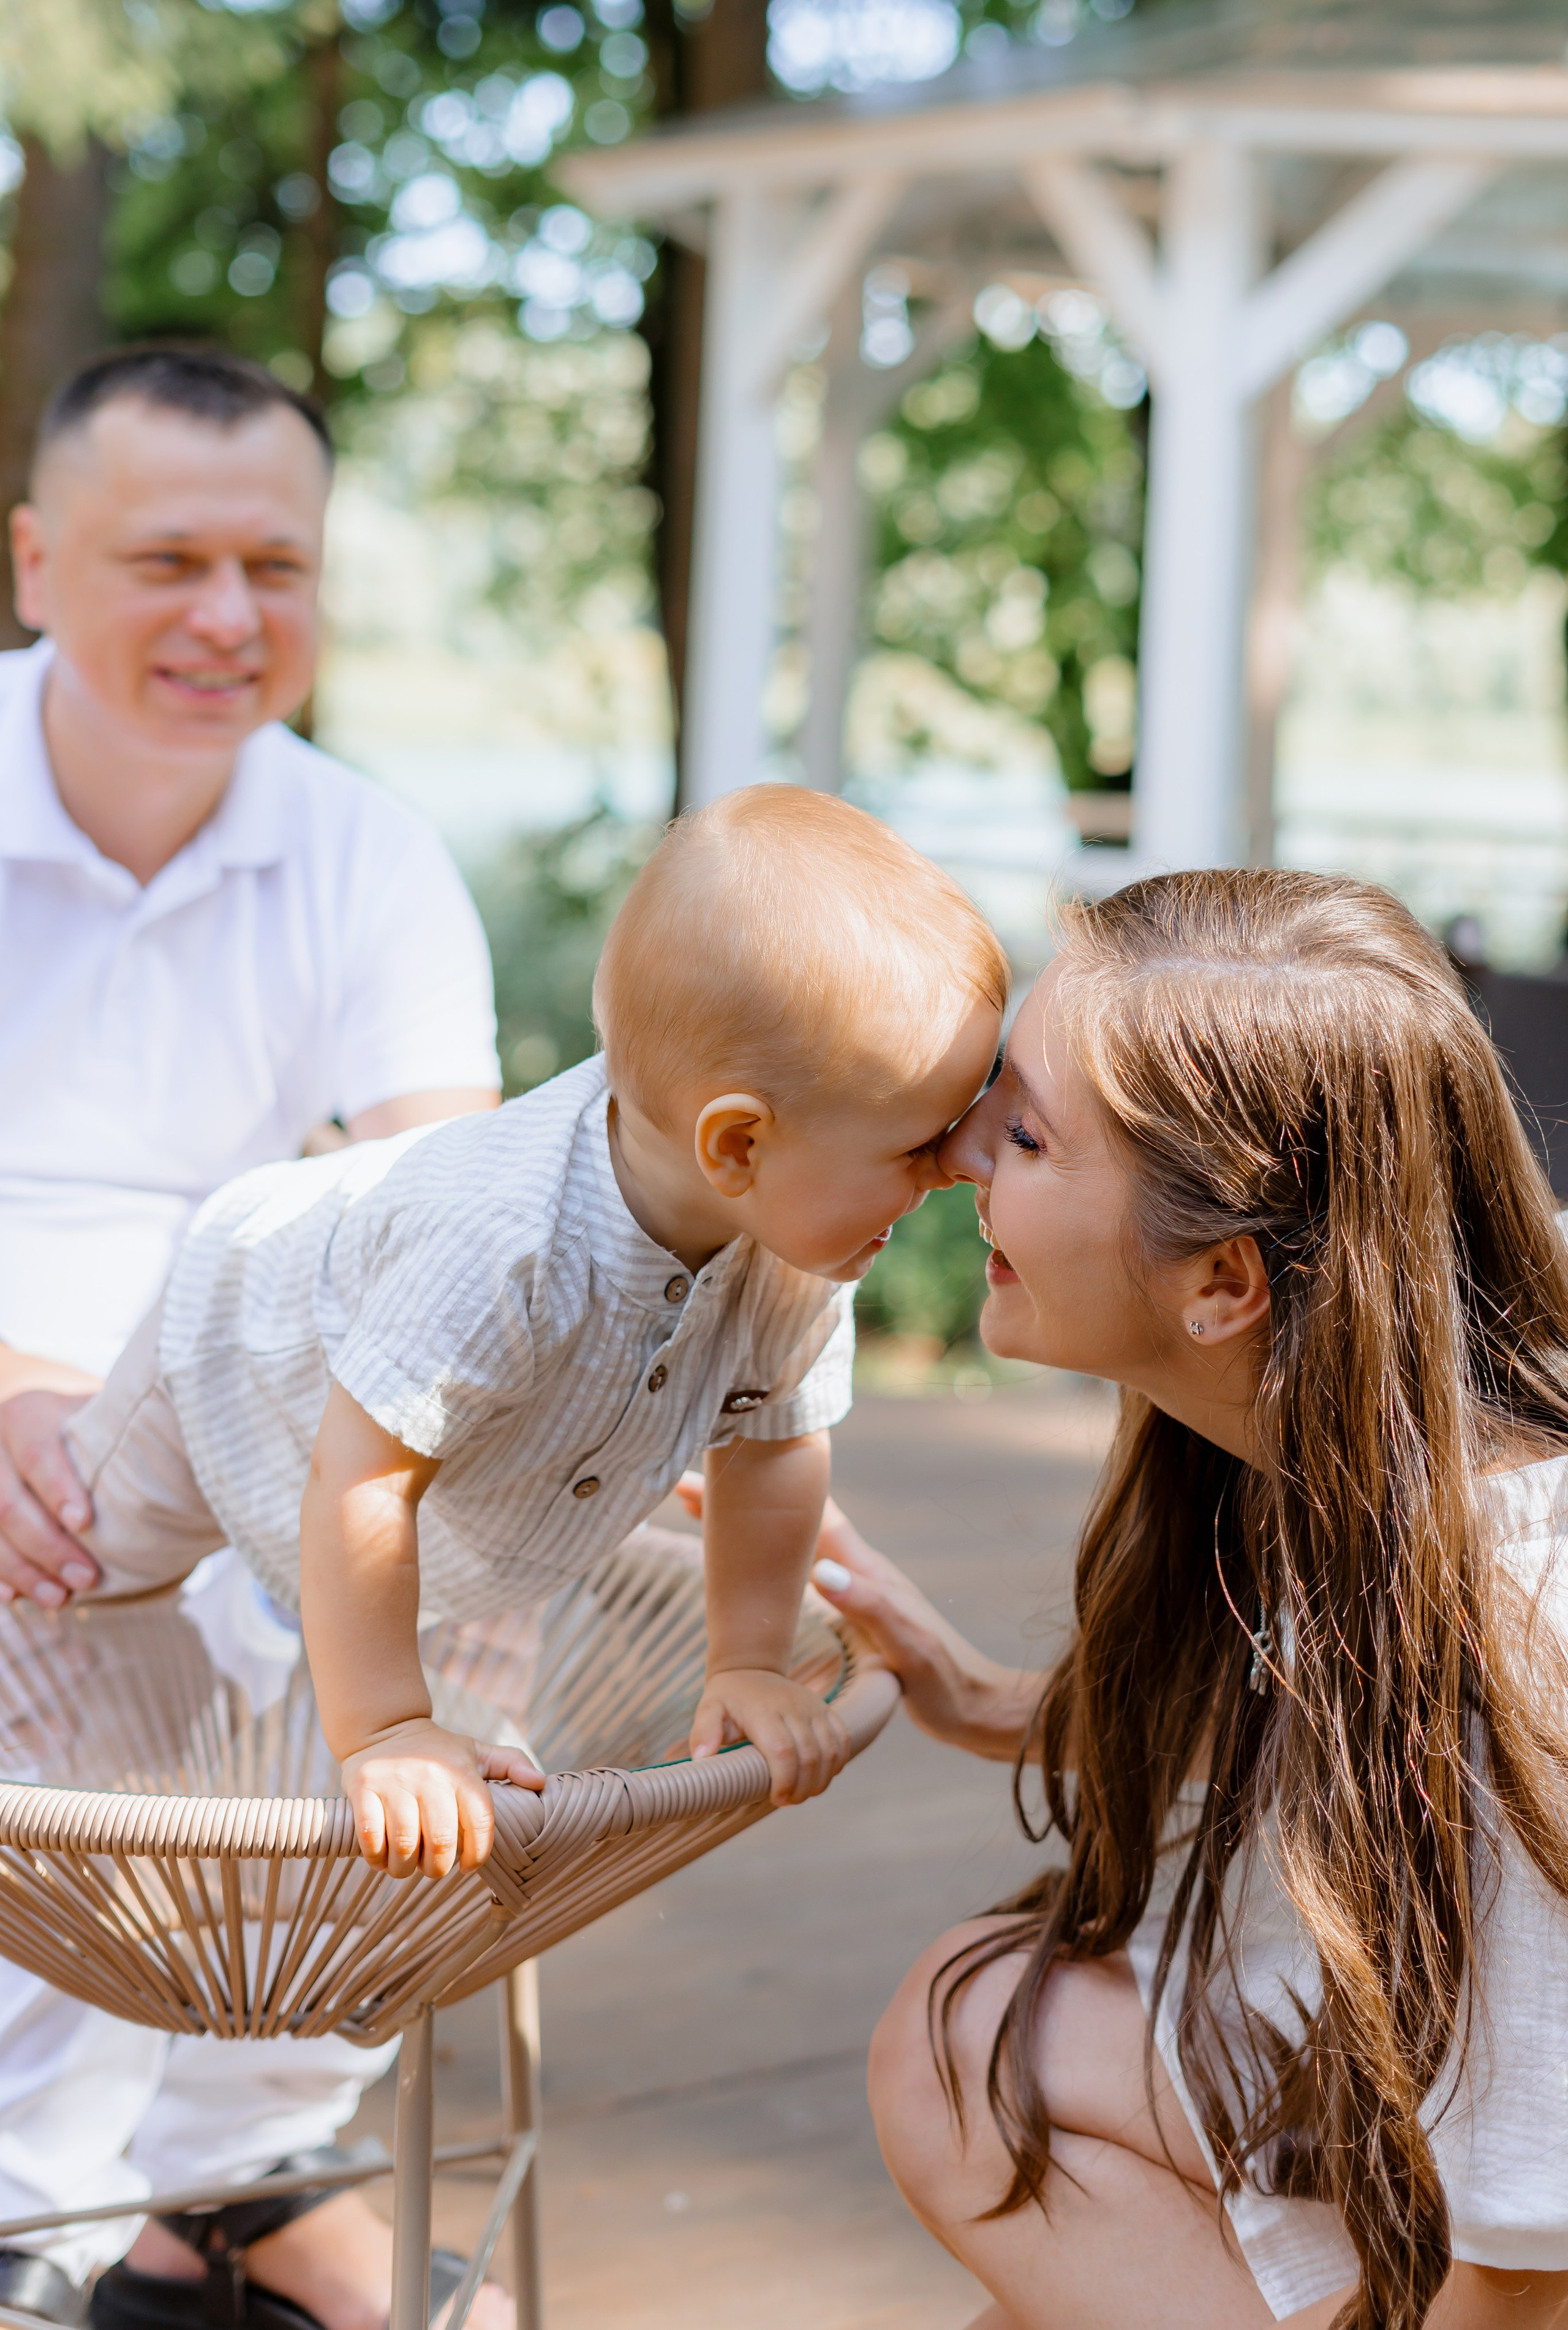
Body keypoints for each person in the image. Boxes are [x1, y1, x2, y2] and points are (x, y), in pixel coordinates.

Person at [792, 871, 1568, 2330]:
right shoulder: (1343, 1454)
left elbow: (1530, 2248)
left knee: (965, 2051)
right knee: (976, 2034)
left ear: (1221, 1282)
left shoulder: (1519, 1630)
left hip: (1499, 2242)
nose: (958, 1151)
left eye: (1025, 1133)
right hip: (1390, 2121)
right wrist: (984, 1699)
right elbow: (1334, 1737)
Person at [57, 785, 1008, 1869]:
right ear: (738, 1147)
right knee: (74, 1568)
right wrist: (387, 1730)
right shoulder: (502, 1245)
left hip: (471, 1502)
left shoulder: (795, 1259)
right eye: (918, 1144)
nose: (958, 1165)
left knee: (452, 1756)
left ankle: (296, 1686)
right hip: (233, 1362)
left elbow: (774, 1451)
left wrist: (745, 1658)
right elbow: (364, 1480)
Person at [0, 345, 507, 2330]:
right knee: (81, 1578)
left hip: (222, 1386)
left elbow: (452, 1217)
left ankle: (235, 2172)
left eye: (275, 568)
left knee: (458, 1572)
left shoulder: (367, 853)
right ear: (36, 565)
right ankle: (54, 2212)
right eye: (169, 561)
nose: (229, 616)